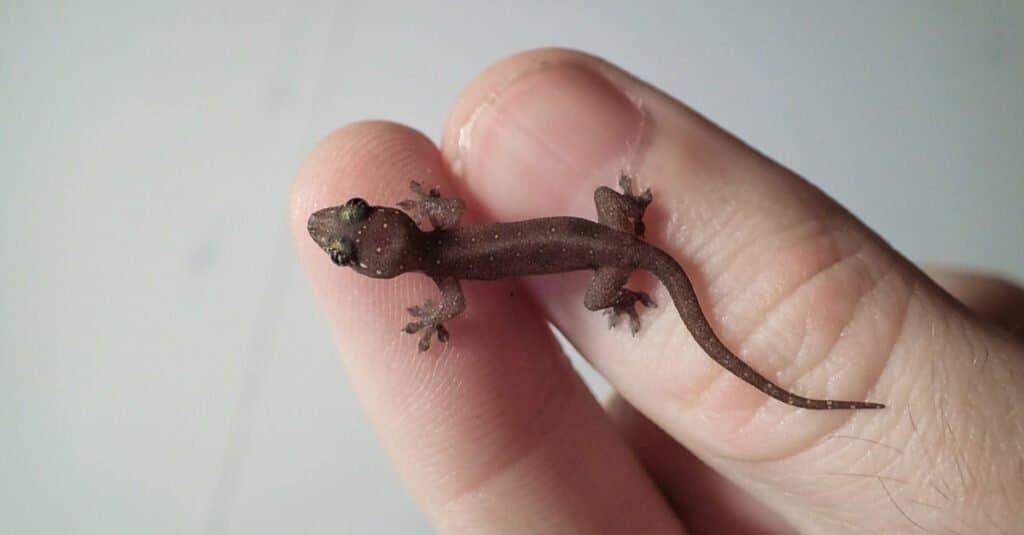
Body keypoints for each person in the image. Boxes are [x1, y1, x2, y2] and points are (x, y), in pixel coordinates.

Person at [290, 49, 1023, 534]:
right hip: (615, 222)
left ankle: (633, 292)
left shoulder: (443, 273)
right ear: (385, 249)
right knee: (617, 232)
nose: (343, 225)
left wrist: (433, 321)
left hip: (622, 256)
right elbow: (445, 214)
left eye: (351, 222)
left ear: (387, 241)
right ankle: (636, 243)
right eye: (346, 244)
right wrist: (424, 207)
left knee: (594, 302)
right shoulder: (440, 232)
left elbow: (450, 303)